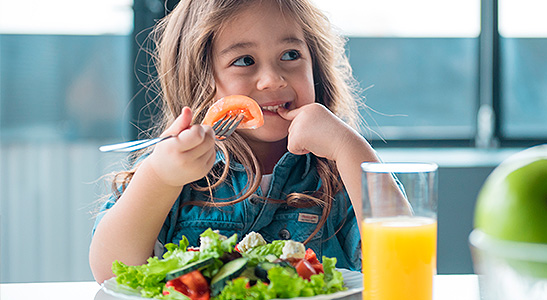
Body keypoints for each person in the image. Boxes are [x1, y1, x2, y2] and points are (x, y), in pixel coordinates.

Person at [89, 0, 395, 284]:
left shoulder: (339, 171)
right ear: (199, 80)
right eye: (245, 60)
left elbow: (400, 263)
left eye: (291, 55)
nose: (273, 80)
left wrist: (349, 148)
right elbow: (112, 272)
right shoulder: (171, 168)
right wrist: (158, 177)